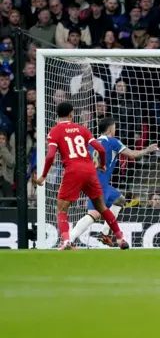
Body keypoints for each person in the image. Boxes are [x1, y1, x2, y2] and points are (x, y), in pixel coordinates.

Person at [37, 102, 129, 250]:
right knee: (103, 209)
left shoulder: (54, 132)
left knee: (61, 210)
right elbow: (100, 149)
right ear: (71, 114)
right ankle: (120, 239)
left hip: (72, 171)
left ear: (57, 115)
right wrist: (102, 164)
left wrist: (43, 176)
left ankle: (67, 241)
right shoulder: (82, 129)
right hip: (90, 170)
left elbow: (50, 156)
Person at [68, 117, 159, 246]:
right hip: (98, 184)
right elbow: (133, 155)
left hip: (94, 181)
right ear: (111, 129)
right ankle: (69, 239)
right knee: (93, 214)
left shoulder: (91, 143)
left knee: (120, 200)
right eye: (115, 127)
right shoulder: (112, 141)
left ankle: (104, 234)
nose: (115, 130)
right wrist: (148, 150)